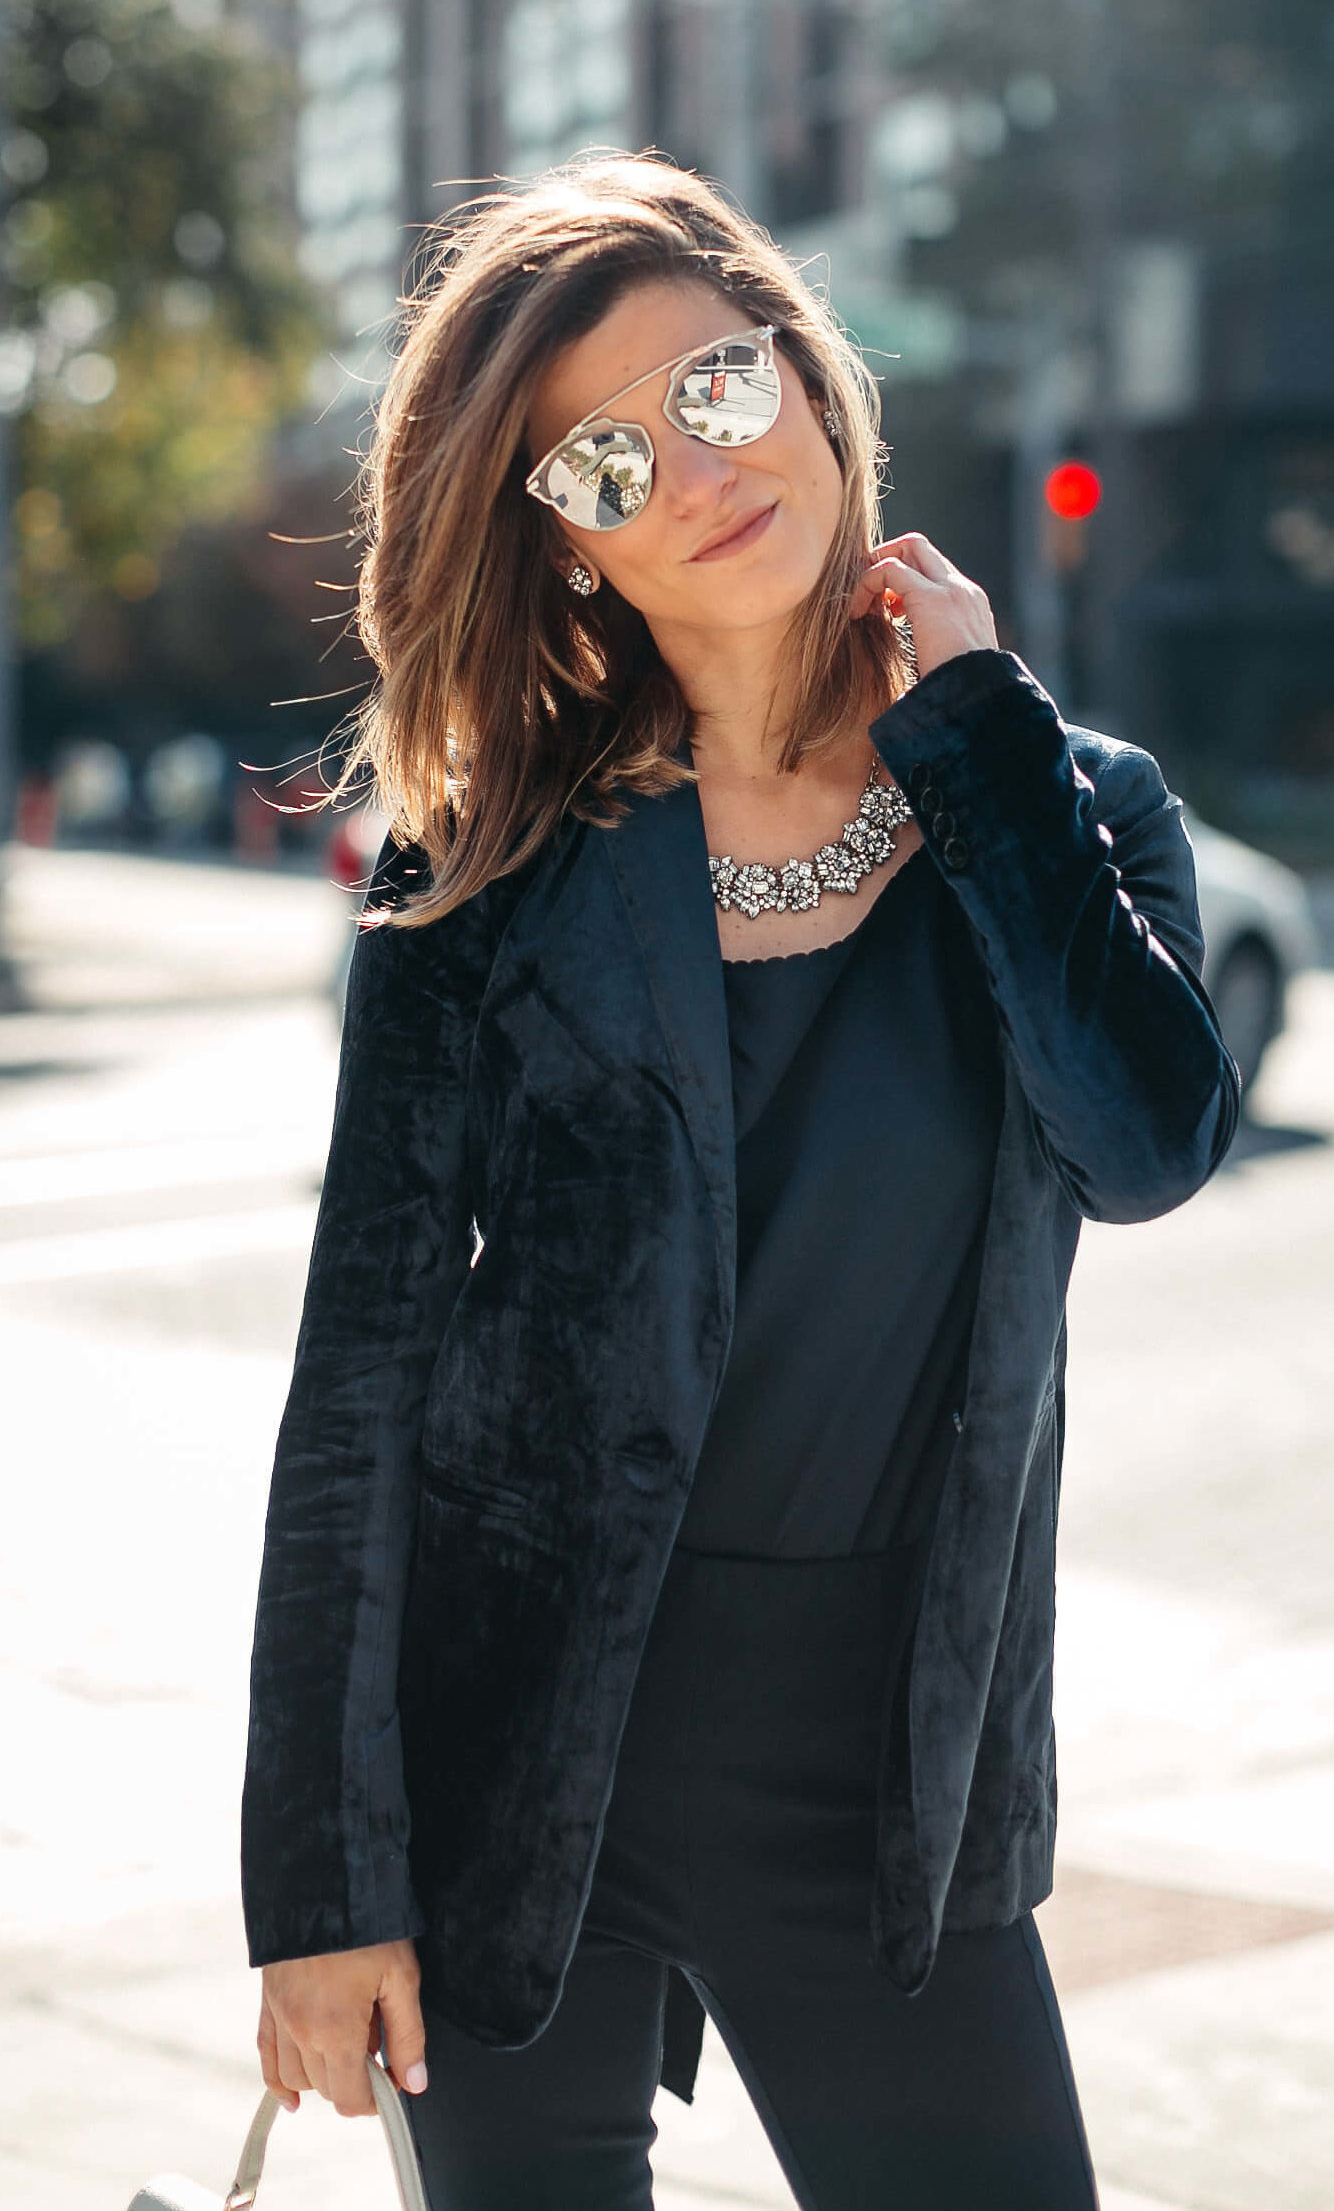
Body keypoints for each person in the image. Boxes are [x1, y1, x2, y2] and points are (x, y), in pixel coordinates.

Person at [242, 154, 1241, 2210]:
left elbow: (1142, 1146)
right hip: (517, 1759)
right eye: (601, 466)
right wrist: (316, 1883)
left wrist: (971, 730)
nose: (691, 470)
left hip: (890, 1776)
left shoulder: (1061, 801)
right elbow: (359, 1387)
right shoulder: (487, 870)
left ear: (800, 374)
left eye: (711, 389)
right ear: (566, 554)